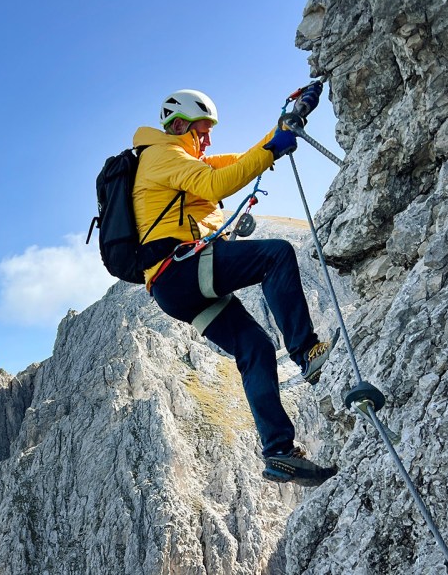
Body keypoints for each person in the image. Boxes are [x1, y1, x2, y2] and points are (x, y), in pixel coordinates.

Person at [132, 88, 337, 486]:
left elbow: (245, 159)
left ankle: (279, 451)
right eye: (202, 132)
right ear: (179, 127)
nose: (208, 140)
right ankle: (305, 349)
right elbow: (218, 186)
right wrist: (275, 149)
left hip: (173, 288)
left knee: (256, 348)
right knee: (275, 255)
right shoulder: (163, 157)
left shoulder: (182, 160)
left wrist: (289, 121)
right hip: (179, 270)